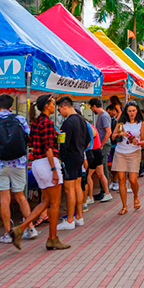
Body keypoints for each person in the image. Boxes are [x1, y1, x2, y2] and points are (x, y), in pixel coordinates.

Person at [9, 94, 70, 251]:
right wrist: (54, 169)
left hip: (36, 163)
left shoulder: (35, 123)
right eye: (52, 103)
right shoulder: (47, 123)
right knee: (55, 202)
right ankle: (52, 238)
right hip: (47, 163)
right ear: (46, 106)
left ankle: (20, 228)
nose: (54, 105)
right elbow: (48, 148)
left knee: (45, 201)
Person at [0, 94, 38, 243]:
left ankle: (8, 234)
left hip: (0, 164)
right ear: (12, 107)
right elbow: (29, 137)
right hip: (19, 163)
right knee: (20, 196)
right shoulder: (19, 119)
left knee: (4, 199)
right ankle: (30, 228)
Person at [56, 96, 88, 230]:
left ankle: (70, 219)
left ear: (64, 106)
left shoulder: (68, 123)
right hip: (79, 155)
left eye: (59, 110)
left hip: (70, 157)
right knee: (77, 187)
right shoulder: (82, 120)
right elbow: (88, 138)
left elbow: (64, 143)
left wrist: (61, 157)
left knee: (69, 189)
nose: (59, 113)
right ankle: (79, 216)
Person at [112, 101, 144, 215]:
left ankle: (136, 197)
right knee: (121, 179)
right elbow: (113, 136)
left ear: (137, 111)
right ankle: (124, 206)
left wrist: (138, 143)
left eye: (134, 111)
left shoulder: (141, 123)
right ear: (126, 111)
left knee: (132, 179)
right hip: (120, 152)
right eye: (129, 111)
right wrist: (120, 134)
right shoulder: (121, 122)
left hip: (134, 152)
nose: (132, 113)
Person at [84, 115, 112, 205]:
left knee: (88, 176)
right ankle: (107, 193)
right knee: (101, 174)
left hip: (94, 152)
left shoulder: (87, 126)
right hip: (97, 151)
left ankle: (90, 197)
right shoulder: (91, 125)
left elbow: (92, 136)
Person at [88, 98, 112, 202]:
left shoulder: (103, 116)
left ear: (94, 106)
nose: (91, 109)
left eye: (91, 107)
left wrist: (101, 145)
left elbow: (108, 132)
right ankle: (104, 191)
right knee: (101, 169)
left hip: (103, 145)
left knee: (103, 168)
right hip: (101, 144)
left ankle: (105, 191)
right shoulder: (102, 116)